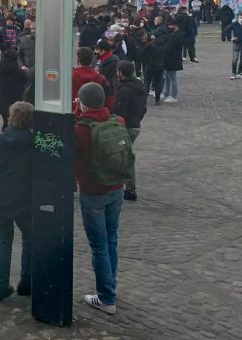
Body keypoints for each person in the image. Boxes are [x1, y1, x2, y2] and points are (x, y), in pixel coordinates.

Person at [75, 83, 126, 315]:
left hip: (92, 191)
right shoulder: (118, 121)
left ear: (83, 102)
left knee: (99, 246)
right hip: (116, 187)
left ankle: (106, 297)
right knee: (111, 239)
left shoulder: (81, 129)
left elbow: (75, 157)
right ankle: (111, 287)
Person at [0, 101, 34, 302]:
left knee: (3, 241)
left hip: (1, 200)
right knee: (29, 239)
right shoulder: (35, 142)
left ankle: (0, 285)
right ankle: (26, 282)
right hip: (26, 200)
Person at [112, 61, 146, 201]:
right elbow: (143, 108)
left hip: (126, 126)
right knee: (124, 155)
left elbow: (119, 112)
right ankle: (124, 185)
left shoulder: (124, 90)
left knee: (123, 157)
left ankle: (128, 188)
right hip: (135, 124)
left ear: (121, 72)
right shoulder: (140, 87)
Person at [0, 49, 28, 133]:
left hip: (2, 99)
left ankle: (4, 136)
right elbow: (25, 80)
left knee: (5, 121)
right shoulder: (19, 71)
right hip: (15, 100)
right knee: (15, 122)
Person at [161, 20, 184, 104]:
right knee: (168, 76)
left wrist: (163, 51)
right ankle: (167, 93)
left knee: (172, 76)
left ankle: (173, 95)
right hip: (172, 59)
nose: (169, 27)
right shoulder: (177, 35)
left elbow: (170, 48)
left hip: (172, 59)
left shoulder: (175, 36)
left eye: (171, 26)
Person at [227, 13, 242, 79]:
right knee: (235, 59)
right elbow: (226, 29)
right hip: (236, 44)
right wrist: (230, 37)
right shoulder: (234, 24)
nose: (241, 19)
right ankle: (233, 73)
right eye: (240, 17)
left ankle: (239, 73)